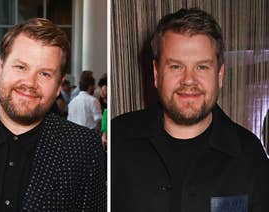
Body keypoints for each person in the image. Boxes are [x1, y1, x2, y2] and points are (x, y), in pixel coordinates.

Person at [112, 8, 269, 212]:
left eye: (202, 67)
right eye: (176, 66)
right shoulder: (117, 140)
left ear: (220, 75)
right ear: (156, 73)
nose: (188, 80)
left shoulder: (250, 155)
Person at [0, 18, 106, 211]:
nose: (30, 83)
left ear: (58, 86)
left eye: (45, 74)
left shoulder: (83, 149)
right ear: (0, 68)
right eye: (21, 67)